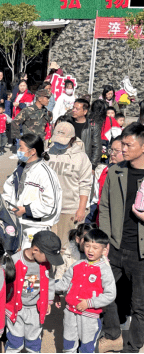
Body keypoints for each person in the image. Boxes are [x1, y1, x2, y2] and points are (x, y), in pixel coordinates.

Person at [99, 123, 144, 353]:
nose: (122, 149)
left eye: (128, 144)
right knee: (105, 293)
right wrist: (105, 242)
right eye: (122, 144)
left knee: (139, 305)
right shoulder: (116, 171)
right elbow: (105, 207)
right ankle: (113, 335)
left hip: (140, 253)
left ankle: (134, 346)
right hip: (115, 246)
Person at [55, 228, 116, 353]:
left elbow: (110, 294)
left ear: (104, 250)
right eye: (87, 246)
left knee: (87, 347)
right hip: (70, 313)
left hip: (90, 317)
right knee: (68, 344)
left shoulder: (104, 269)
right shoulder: (77, 265)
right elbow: (63, 283)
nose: (90, 250)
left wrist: (89, 303)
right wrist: (47, 285)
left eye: (95, 247)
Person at [5, 230, 64, 354]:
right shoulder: (15, 261)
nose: (50, 260)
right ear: (35, 250)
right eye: (48, 256)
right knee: (15, 342)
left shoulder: (46, 264)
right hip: (16, 309)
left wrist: (48, 301)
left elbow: (50, 282)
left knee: (33, 343)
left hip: (35, 310)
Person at [2, 134, 63, 249]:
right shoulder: (20, 168)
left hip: (37, 227)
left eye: (21, 148)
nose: (18, 151)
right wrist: (7, 204)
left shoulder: (45, 173)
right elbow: (9, 188)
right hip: (20, 223)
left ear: (33, 151)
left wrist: (26, 210)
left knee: (32, 260)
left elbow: (51, 205)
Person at [47, 122, 92, 249]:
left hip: (70, 209)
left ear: (72, 139)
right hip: (48, 209)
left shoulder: (81, 158)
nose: (58, 143)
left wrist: (81, 208)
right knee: (49, 247)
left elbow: (85, 184)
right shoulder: (48, 153)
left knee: (66, 248)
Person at [71, 98, 101, 170]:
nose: (73, 110)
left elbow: (97, 147)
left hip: (84, 163)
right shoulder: (69, 122)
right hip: (69, 160)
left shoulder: (92, 126)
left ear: (85, 112)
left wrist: (93, 166)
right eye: (73, 108)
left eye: (77, 109)